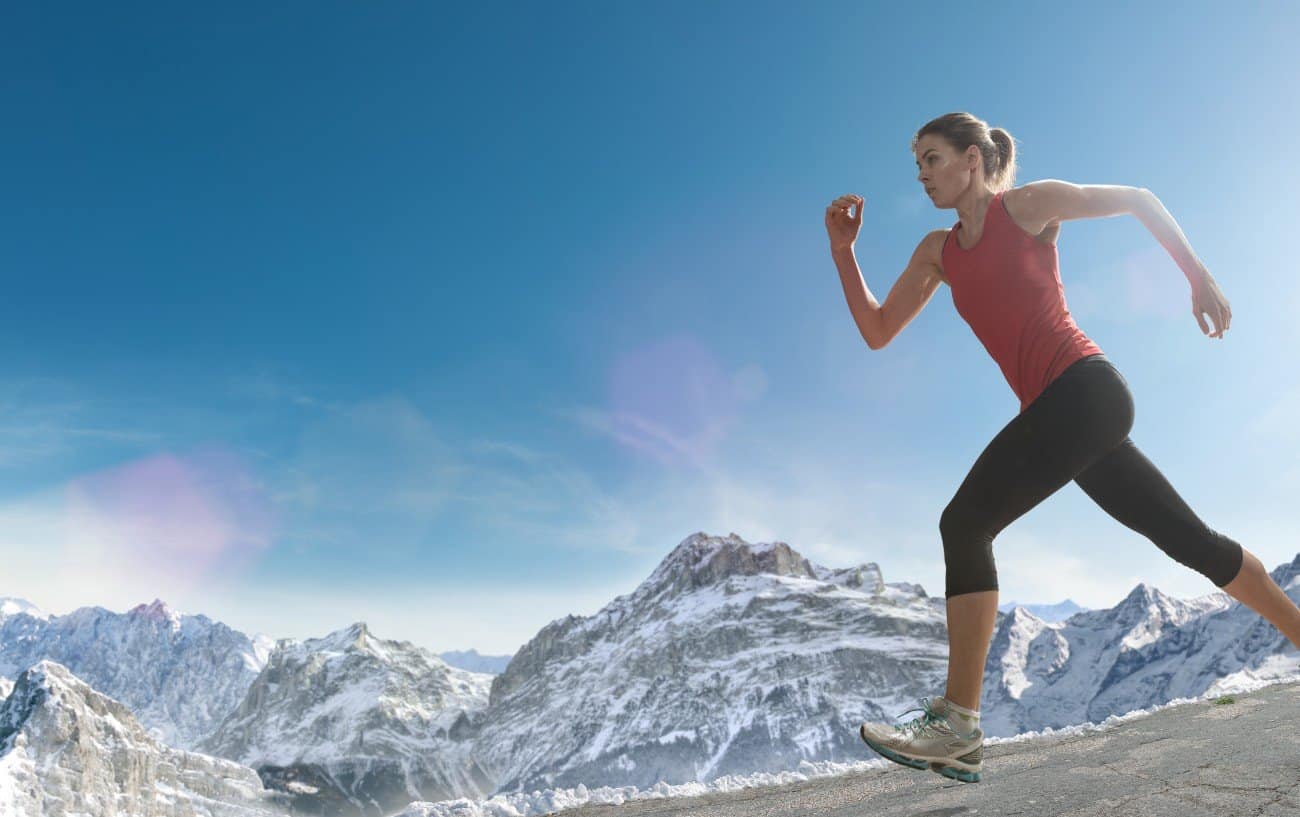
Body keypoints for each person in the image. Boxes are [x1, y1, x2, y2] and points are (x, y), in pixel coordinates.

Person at [826, 111, 1300, 784]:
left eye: (932, 158)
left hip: (1086, 390)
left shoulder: (1029, 207)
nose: (922, 174)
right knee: (1192, 541)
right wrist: (845, 253)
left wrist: (1195, 274)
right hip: (1069, 417)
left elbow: (1140, 200)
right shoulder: (938, 252)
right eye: (918, 165)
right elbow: (878, 330)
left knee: (964, 521)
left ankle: (958, 722)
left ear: (971, 159)